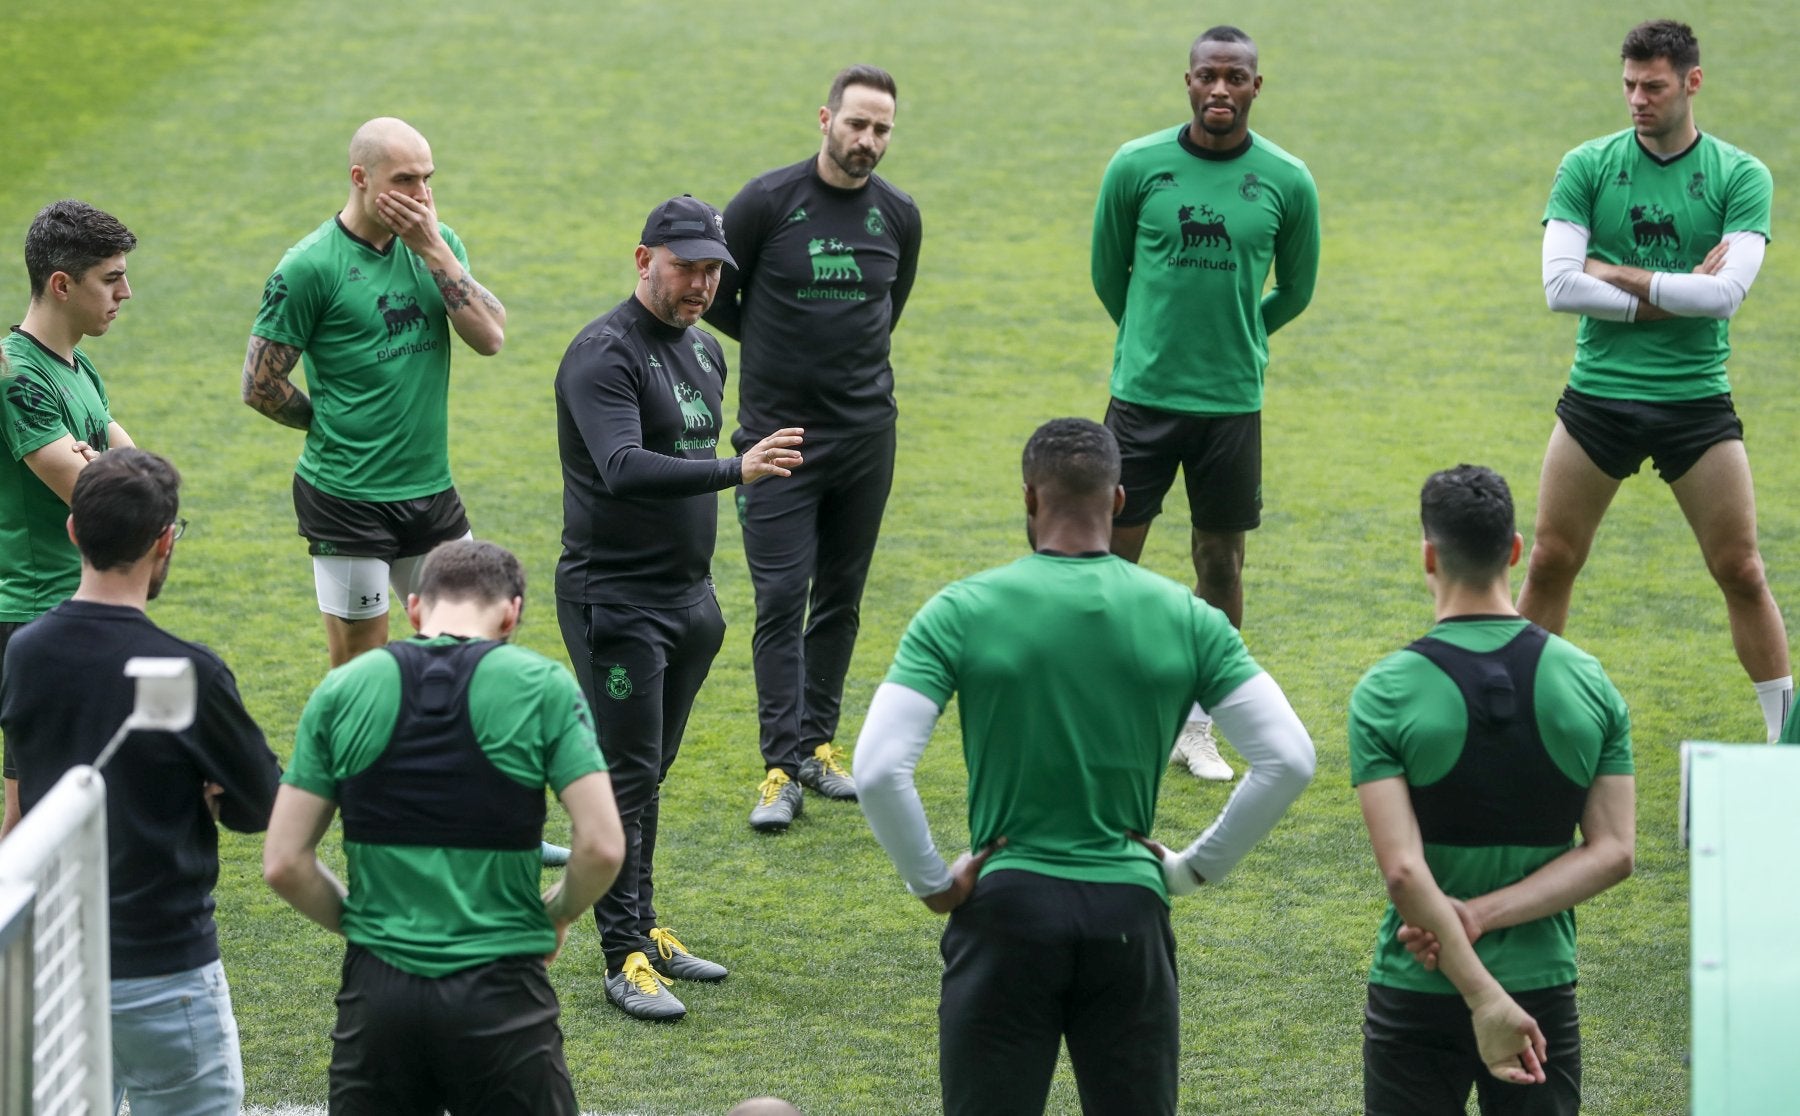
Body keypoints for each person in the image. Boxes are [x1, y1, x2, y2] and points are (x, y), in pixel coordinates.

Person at [855, 418, 1315, 1116]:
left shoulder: (961, 610)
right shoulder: (1191, 620)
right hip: (1129, 914)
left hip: (1005, 913)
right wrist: (1193, 868)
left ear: (1030, 500)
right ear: (1121, 501)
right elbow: (1289, 760)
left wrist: (931, 882)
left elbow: (880, 768)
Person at [261, 539, 625, 1114]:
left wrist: (369, 929)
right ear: (512, 612)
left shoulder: (343, 689)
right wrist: (554, 914)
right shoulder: (543, 686)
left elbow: (284, 862)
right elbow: (603, 847)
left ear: (413, 609)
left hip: (378, 998)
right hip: (501, 991)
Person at [555, 194, 804, 1021]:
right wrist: (740, 472)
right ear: (643, 259)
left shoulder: (705, 352)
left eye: (710, 270)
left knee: (646, 774)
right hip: (615, 601)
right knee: (627, 776)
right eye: (685, 265)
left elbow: (693, 452)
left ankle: (642, 922)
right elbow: (623, 466)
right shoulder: (601, 354)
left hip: (688, 601)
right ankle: (621, 954)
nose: (700, 283)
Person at [1520, 19, 1790, 741]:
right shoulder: (1586, 165)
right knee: (1549, 560)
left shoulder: (1741, 176)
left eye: (1654, 86)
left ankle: (1784, 736)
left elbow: (1724, 297)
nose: (1638, 99)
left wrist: (1613, 272)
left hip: (1695, 402)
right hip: (1598, 397)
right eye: (1629, 85)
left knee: (1741, 569)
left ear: (1691, 83)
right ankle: (1510, 719)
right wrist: (1669, 296)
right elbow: (1557, 288)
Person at [0, 448, 280, 1116]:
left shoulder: (24, 652)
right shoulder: (190, 672)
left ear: (73, 531)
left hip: (57, 973)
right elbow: (262, 801)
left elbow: (22, 790)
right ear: (164, 541)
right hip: (167, 977)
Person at [1351, 465, 1636, 1114]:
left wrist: (1478, 988)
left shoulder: (1387, 690)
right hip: (1539, 989)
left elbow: (1403, 871)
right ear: (1514, 550)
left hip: (1416, 979)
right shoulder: (1587, 682)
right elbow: (1615, 850)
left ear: (1429, 554)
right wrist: (1485, 918)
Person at [1091, 25, 1320, 782]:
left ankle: (1197, 724)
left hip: (1230, 402)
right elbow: (1108, 272)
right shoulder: (1137, 166)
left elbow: (1298, 287)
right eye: (1207, 76)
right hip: (1143, 398)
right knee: (1111, 556)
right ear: (1187, 81)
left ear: (1257, 86)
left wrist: (1242, 333)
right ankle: (1117, 714)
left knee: (1220, 559)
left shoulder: (1287, 180)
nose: (1220, 89)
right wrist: (1155, 334)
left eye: (1236, 77)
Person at [704, 64, 923, 832]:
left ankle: (819, 745)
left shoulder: (898, 215)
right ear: (824, 118)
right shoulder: (767, 203)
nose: (868, 140)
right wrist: (778, 343)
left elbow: (885, 310)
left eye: (882, 129)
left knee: (841, 595)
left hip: (867, 437)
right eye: (857, 123)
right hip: (778, 442)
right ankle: (778, 768)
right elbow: (718, 298)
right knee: (778, 598)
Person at [243, 116, 507, 668]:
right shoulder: (310, 267)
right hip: (345, 499)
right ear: (361, 177)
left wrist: (434, 249)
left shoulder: (439, 244)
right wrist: (330, 424)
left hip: (430, 490)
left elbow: (491, 337)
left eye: (427, 180)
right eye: (405, 181)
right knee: (362, 663)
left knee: (468, 650)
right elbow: (260, 385)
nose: (421, 196)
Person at [0, 200, 139, 731]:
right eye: (111, 280)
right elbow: (112, 505)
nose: (125, 294)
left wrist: (101, 464)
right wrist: (108, 471)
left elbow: (147, 482)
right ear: (62, 284)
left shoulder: (80, 367)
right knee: (35, 803)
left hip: (79, 608)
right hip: (34, 615)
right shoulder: (15, 375)